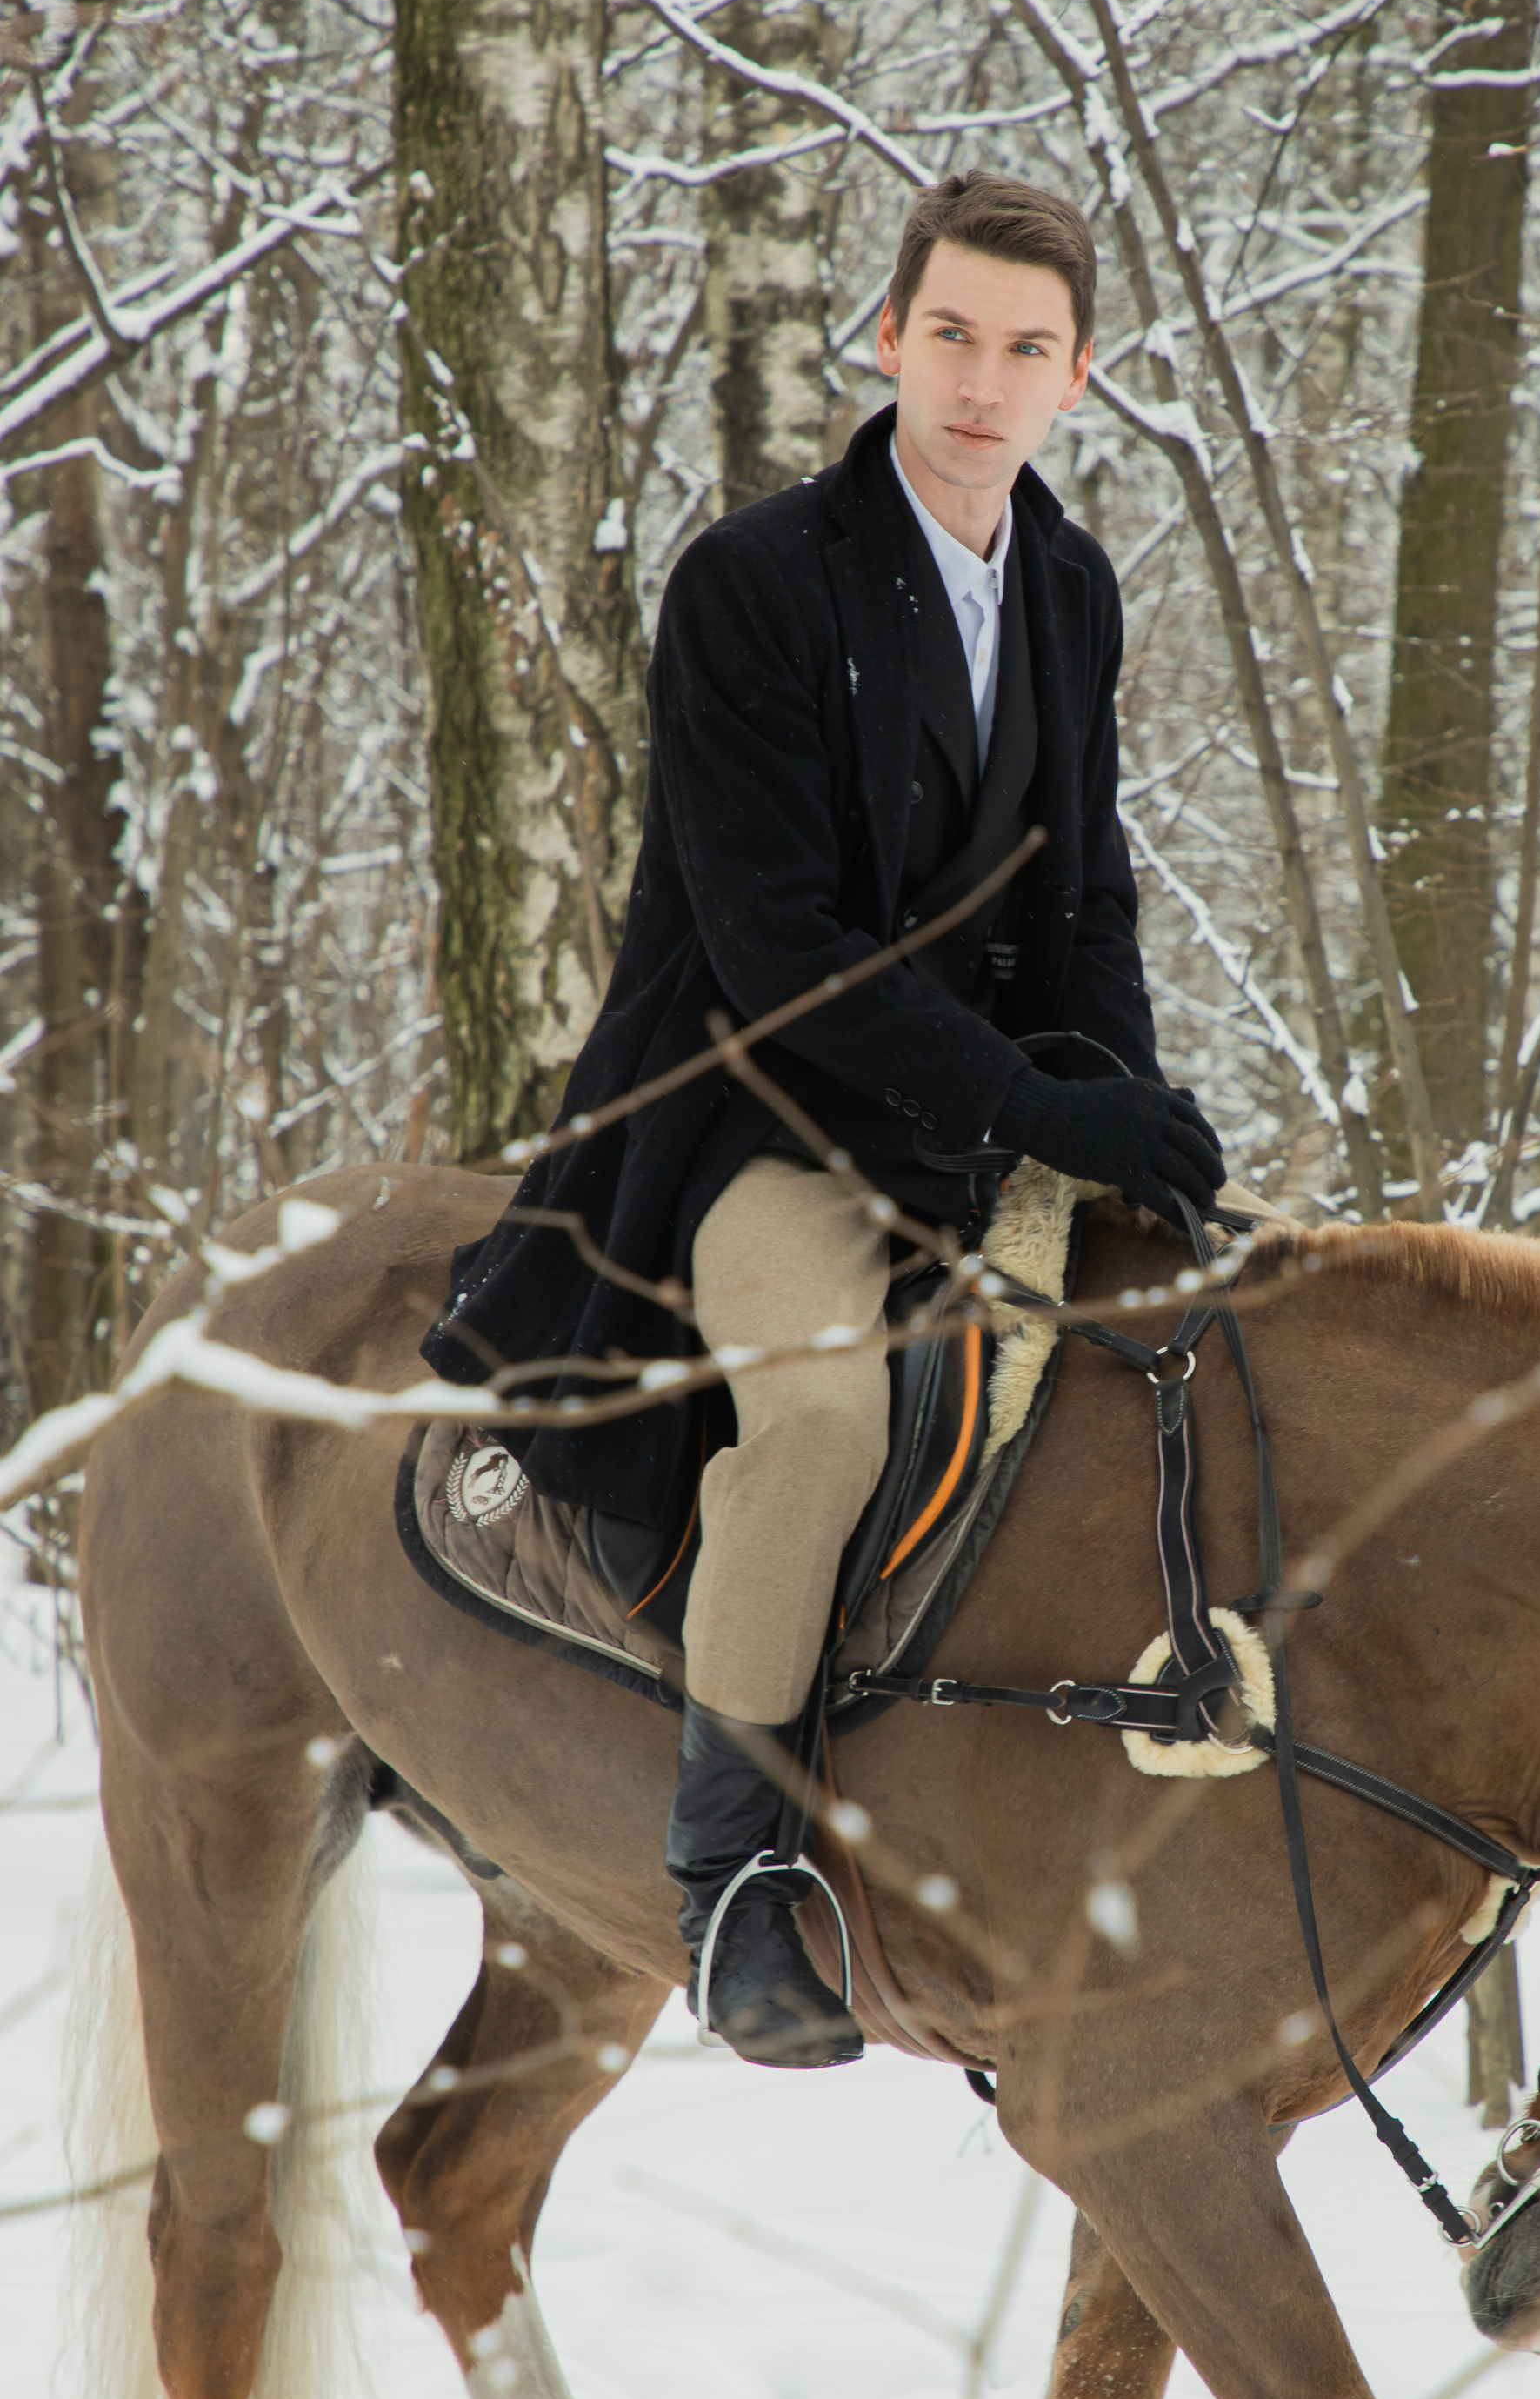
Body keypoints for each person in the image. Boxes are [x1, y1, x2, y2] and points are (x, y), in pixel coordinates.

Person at [423, 173, 1230, 2068]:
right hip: (752, 1121)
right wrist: (1029, 1096)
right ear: (885, 336)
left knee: (1180, 1367)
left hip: (980, 1131)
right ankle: (733, 1883)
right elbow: (774, 946)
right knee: (815, 1422)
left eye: (1026, 349)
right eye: (949, 333)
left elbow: (1080, 897)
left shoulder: (1071, 590)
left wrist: (1112, 1094)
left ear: (1077, 379)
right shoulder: (751, 583)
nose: (981, 380)